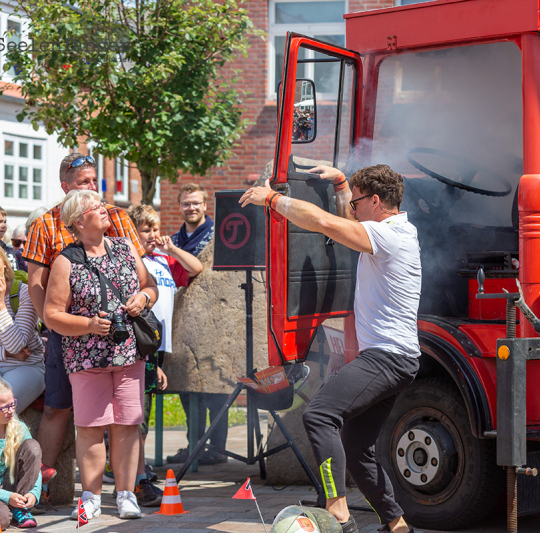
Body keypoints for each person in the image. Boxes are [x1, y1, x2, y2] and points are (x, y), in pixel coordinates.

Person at [240, 164, 421, 533]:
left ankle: (337, 510)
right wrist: (341, 183)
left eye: (356, 201)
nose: (351, 208)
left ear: (374, 200)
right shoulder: (394, 230)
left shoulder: (389, 236)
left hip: (387, 356)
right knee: (356, 448)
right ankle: (396, 524)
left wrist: (273, 199)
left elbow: (325, 223)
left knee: (319, 415)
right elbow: (345, 225)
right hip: (396, 357)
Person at [21, 153, 145, 512]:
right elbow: (35, 283)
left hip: (120, 338)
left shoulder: (118, 218)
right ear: (66, 187)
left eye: (95, 181)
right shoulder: (45, 223)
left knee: (127, 415)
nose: (93, 188)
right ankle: (38, 488)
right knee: (58, 408)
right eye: (84, 183)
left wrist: (140, 300)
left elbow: (138, 273)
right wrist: (58, 323)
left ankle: (132, 486)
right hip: (69, 333)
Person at [43, 189, 158, 520]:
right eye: (97, 207)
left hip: (128, 353)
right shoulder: (66, 261)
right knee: (91, 427)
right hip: (86, 357)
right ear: (80, 221)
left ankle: (125, 494)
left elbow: (149, 286)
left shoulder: (124, 248)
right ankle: (91, 496)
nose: (106, 209)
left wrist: (144, 299)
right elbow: (52, 315)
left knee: (127, 424)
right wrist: (89, 324)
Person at [127, 204, 202, 505]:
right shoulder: (132, 262)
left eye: (155, 228)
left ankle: (136, 473)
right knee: (137, 417)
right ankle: (136, 480)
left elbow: (195, 269)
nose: (153, 235)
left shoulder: (161, 260)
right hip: (139, 348)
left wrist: (171, 247)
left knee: (142, 417)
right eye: (145, 229)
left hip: (158, 348)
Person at [166, 183, 227, 466]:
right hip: (182, 319)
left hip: (213, 319)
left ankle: (216, 448)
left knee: (213, 385)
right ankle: (195, 444)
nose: (191, 208)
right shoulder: (174, 239)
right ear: (180, 206)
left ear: (205, 206)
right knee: (187, 386)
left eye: (196, 203)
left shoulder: (218, 237)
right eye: (186, 204)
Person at [0, 237, 45, 412]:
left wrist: (0, 304)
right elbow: (12, 349)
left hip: (26, 367)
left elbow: (16, 345)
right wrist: (5, 353)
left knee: (0, 407)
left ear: (3, 261)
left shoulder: (24, 293)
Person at [0, 378, 42, 530]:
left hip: (8, 485)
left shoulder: (18, 428)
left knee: (32, 447)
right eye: (4, 408)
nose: (11, 411)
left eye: (12, 404)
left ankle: (19, 507)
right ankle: (10, 508)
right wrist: (7, 497)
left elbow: (34, 466)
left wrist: (34, 493)